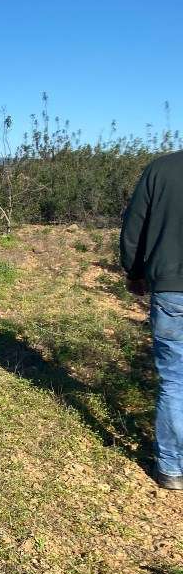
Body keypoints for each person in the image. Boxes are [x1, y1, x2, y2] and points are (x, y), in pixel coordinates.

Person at [121, 150, 183, 490]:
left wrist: (134, 272)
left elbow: (134, 226)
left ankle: (171, 469)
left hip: (171, 290)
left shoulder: (161, 169)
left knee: (175, 380)